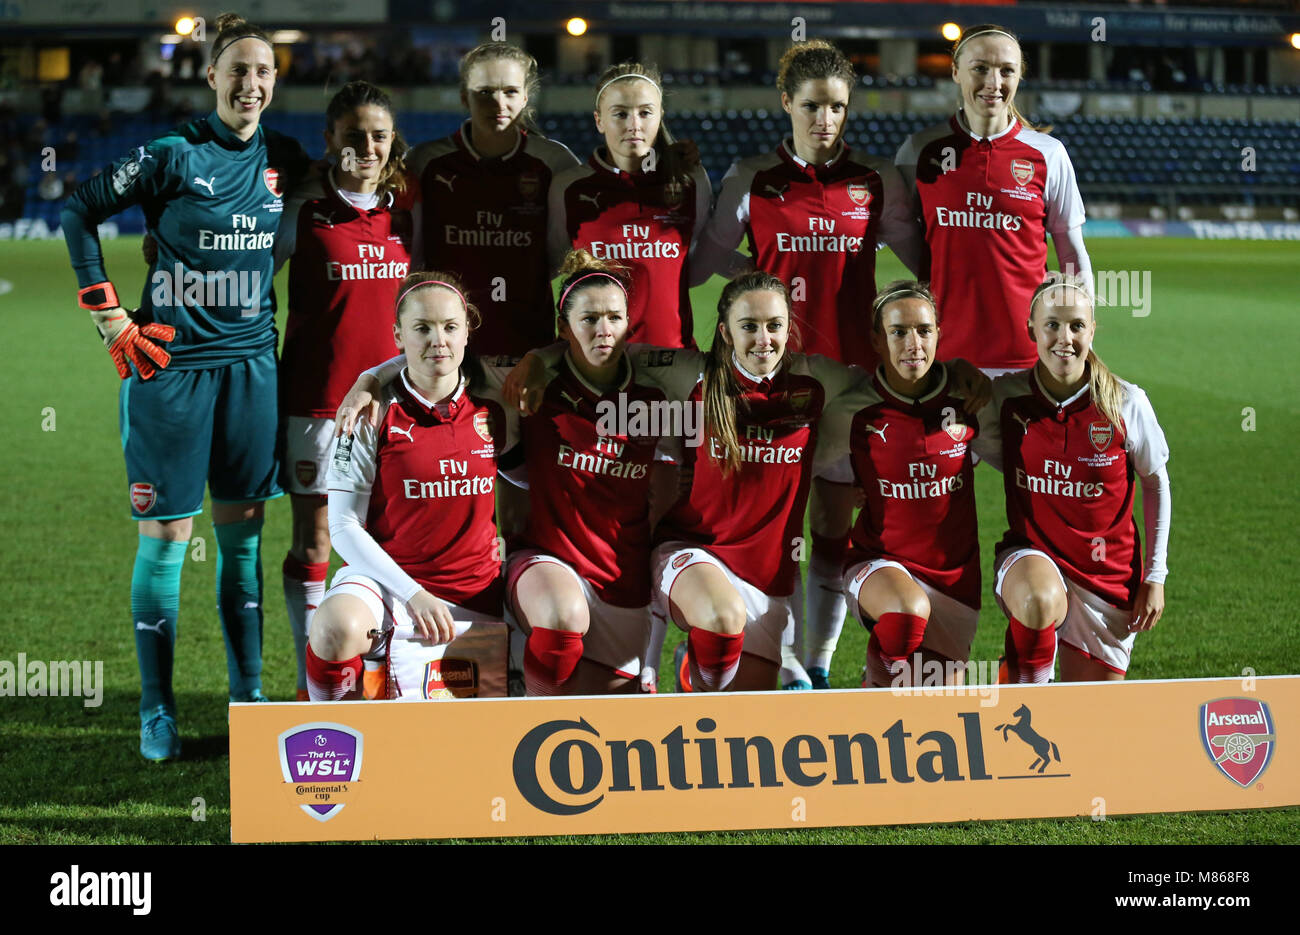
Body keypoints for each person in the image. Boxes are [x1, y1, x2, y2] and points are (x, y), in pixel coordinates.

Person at [61, 12, 308, 760]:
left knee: (241, 545)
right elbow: (78, 211)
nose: (252, 83)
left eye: (263, 71)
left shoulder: (287, 157)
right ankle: (158, 709)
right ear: (211, 77)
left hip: (251, 373)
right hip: (169, 374)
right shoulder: (172, 154)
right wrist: (108, 314)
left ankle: (249, 697)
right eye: (238, 69)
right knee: (167, 539)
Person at [691, 40, 926, 691]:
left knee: (829, 525)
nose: (827, 119)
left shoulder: (874, 181)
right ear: (787, 102)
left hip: (850, 384)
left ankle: (815, 662)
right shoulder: (753, 177)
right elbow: (706, 262)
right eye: (814, 105)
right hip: (772, 385)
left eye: (839, 107)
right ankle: (782, 657)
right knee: (777, 528)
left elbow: (926, 265)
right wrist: (756, 272)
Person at [646, 271, 870, 692]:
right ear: (725, 333)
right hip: (692, 552)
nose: (763, 339)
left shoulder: (816, 380)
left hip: (767, 577)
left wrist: (959, 378)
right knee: (720, 623)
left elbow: (883, 389)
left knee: (756, 705)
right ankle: (695, 679)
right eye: (748, 326)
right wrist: (536, 364)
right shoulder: (691, 375)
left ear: (790, 327)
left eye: (775, 325)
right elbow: (610, 357)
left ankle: (691, 665)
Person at [307, 272, 524, 701]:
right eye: (421, 328)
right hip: (390, 588)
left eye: (449, 327)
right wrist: (413, 593)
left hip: (477, 590)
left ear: (467, 332)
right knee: (335, 627)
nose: (437, 340)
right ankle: (338, 742)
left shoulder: (495, 401)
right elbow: (344, 525)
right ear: (398, 335)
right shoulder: (368, 411)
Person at [274, 80, 416, 701]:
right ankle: (313, 675)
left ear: (392, 142)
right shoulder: (302, 209)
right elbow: (242, 260)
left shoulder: (409, 212)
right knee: (315, 537)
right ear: (329, 138)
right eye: (353, 134)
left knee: (393, 531)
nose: (366, 146)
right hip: (318, 401)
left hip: (396, 403)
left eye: (378, 135)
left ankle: (385, 670)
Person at [972, 273, 1170, 683]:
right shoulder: (1006, 397)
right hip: (1033, 557)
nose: (1065, 337)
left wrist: (1155, 576)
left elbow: (1156, 483)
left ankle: (1015, 673)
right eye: (1052, 325)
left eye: (1077, 325)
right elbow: (956, 439)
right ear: (1031, 329)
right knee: (1039, 602)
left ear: (1092, 329)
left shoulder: (1125, 402)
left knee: (1090, 721)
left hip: (1107, 578)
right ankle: (1026, 698)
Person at [504, 250, 681, 695]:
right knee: (561, 633)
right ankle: (529, 728)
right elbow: (446, 366)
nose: (603, 330)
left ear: (629, 325)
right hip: (547, 563)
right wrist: (368, 381)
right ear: (564, 329)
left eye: (614, 318)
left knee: (606, 711)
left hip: (622, 577)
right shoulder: (534, 387)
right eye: (589, 319)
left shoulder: (654, 401)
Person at [895, 23, 1091, 376]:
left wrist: (1082, 326)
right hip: (943, 356)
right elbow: (897, 231)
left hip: (1029, 357)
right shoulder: (919, 151)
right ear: (956, 71)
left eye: (1006, 71)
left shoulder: (1049, 154)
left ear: (1019, 76)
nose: (994, 82)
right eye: (980, 68)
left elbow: (1071, 251)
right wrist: (931, 274)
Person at [820, 282, 986, 688]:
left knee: (929, 717)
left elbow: (1026, 454)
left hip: (956, 581)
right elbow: (795, 467)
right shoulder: (853, 410)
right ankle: (872, 692)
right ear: (877, 340)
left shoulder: (971, 399)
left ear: (938, 335)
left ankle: (884, 684)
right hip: (879, 565)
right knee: (905, 613)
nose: (914, 343)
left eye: (924, 331)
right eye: (898, 332)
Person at [407, 42, 579, 358]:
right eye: (485, 92)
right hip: (445, 353)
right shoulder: (424, 162)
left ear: (526, 97)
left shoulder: (556, 163)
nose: (498, 103)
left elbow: (565, 254)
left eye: (510, 91)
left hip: (529, 349)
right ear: (464, 96)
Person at [548, 62, 710, 349]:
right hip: (597, 363)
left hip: (672, 361)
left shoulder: (690, 180)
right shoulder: (569, 187)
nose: (634, 124)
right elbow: (556, 264)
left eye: (645, 112)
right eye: (620, 113)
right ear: (599, 120)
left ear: (660, 116)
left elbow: (702, 258)